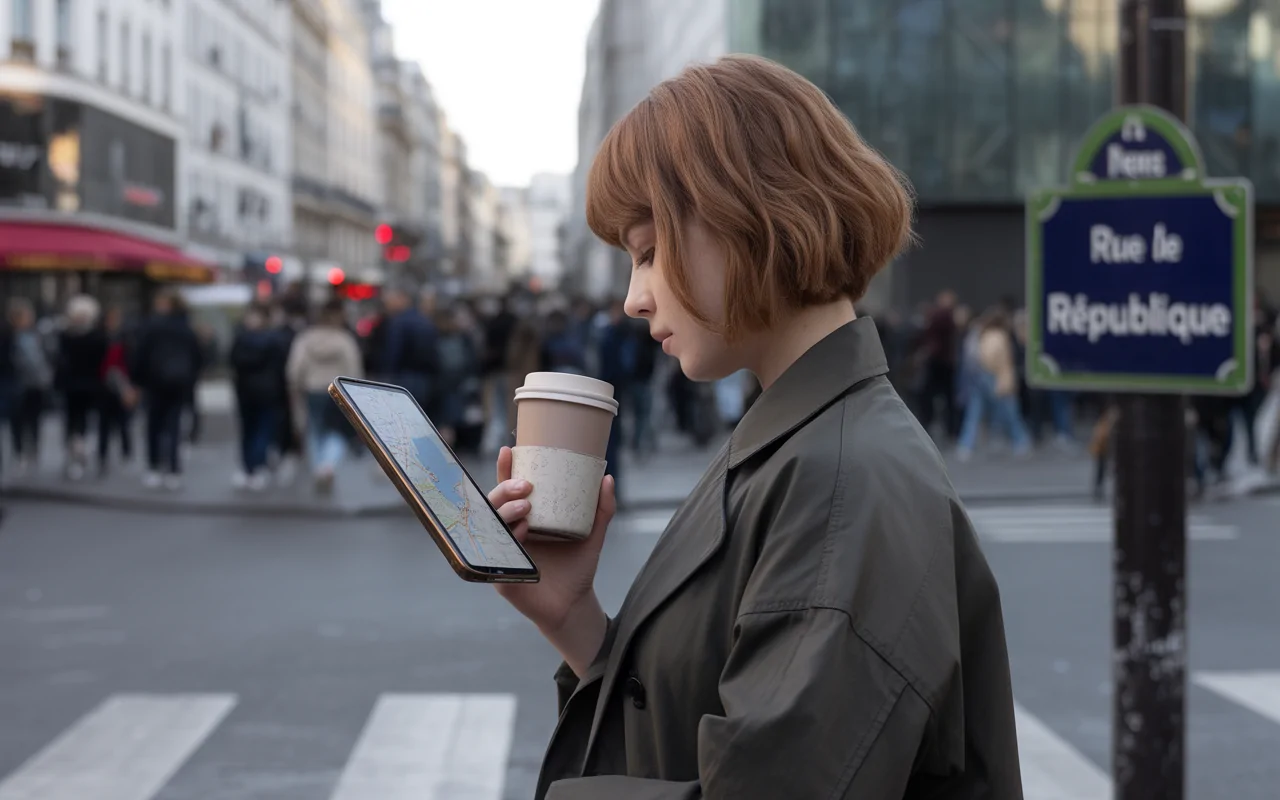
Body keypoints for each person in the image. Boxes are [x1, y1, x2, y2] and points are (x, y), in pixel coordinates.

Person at [486, 55, 1022, 799]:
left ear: (749, 213)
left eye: (647, 253)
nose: (634, 299)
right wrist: (572, 617)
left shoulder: (838, 474)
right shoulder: (803, 435)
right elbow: (706, 728)